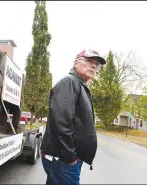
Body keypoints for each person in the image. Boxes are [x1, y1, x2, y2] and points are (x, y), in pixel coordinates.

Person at [40, 49, 106, 185]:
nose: (94, 66)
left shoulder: (79, 85)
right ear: (76, 63)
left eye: (96, 64)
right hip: (62, 159)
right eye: (89, 61)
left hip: (65, 159)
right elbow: (62, 124)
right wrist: (70, 158)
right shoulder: (69, 82)